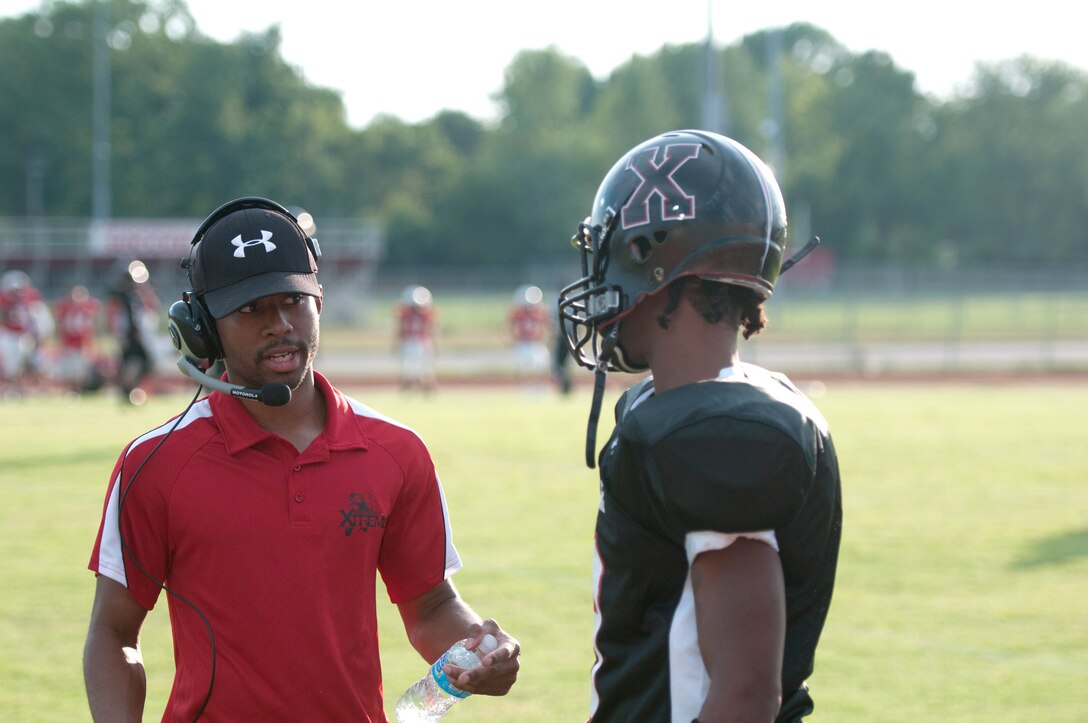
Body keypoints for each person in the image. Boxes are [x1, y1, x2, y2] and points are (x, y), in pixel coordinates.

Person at [84, 197, 520, 721]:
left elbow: (430, 606)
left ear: (319, 301)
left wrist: (477, 652)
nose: (279, 324)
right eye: (250, 308)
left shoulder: (397, 451)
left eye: (292, 298)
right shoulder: (154, 463)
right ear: (202, 327)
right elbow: (113, 634)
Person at [557, 130, 842, 722]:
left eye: (611, 249)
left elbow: (744, 694)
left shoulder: (716, 434)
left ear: (650, 259)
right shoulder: (670, 410)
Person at [106, 259, 161, 404]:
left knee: (137, 364)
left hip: (133, 335)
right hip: (134, 336)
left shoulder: (131, 295)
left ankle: (131, 391)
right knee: (138, 363)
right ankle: (129, 391)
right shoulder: (129, 296)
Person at [0, 268, 53, 393]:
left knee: (38, 364)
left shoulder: (32, 300)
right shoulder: (4, 301)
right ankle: (17, 389)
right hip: (10, 335)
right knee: (13, 366)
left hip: (28, 336)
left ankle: (44, 389)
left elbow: (41, 321)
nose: (17, 293)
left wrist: (39, 336)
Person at [53, 283, 105, 393]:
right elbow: (60, 326)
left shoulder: (89, 307)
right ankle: (70, 391)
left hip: (82, 344)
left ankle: (78, 390)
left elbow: (94, 325)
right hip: (69, 344)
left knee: (81, 370)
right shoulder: (65, 307)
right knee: (68, 370)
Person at [395, 284, 438, 392]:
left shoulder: (409, 313)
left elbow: (430, 329)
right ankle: (416, 385)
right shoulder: (409, 313)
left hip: (419, 341)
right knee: (413, 368)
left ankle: (421, 385)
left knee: (421, 367)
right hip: (414, 341)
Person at [507, 284, 550, 387]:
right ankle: (524, 385)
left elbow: (546, 325)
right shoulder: (519, 313)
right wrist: (516, 337)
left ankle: (539, 385)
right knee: (524, 366)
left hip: (536, 342)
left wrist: (543, 336)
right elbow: (511, 326)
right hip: (524, 342)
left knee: (541, 364)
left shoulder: (539, 312)